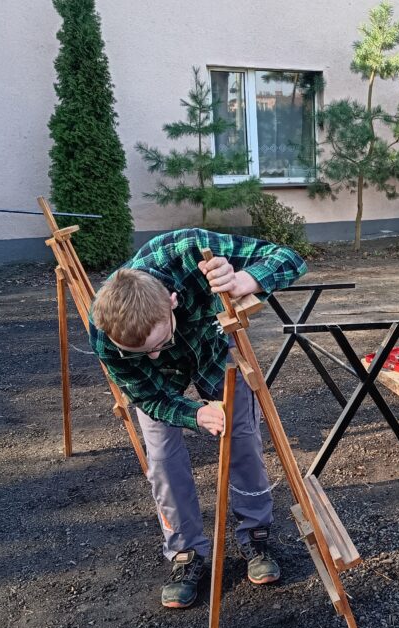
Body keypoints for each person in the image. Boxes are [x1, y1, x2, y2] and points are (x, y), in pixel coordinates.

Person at [89, 228, 307, 608]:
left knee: (242, 439)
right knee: (162, 460)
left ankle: (255, 536)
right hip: (157, 387)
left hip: (211, 352)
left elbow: (290, 258)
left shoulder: (189, 251)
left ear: (172, 301)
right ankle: (186, 554)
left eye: (157, 345)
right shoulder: (105, 336)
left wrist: (246, 278)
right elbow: (148, 395)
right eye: (140, 351)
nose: (153, 355)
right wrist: (194, 414)